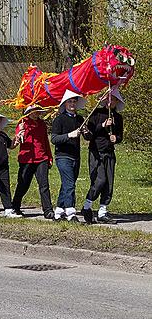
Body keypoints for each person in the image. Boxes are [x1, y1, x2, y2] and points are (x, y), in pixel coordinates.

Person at [82, 88, 125, 224]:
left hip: (109, 152)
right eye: (109, 99)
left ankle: (102, 211)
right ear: (105, 100)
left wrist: (115, 138)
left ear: (116, 102)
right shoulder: (96, 114)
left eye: (113, 99)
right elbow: (89, 134)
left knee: (109, 183)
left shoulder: (118, 117)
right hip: (96, 152)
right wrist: (102, 125)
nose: (110, 101)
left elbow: (120, 136)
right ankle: (87, 205)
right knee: (99, 180)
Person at [11, 105, 54, 218]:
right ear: (28, 112)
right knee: (23, 184)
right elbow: (19, 139)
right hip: (27, 159)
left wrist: (49, 157)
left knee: (44, 185)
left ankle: (48, 210)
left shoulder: (42, 124)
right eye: (33, 111)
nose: (36, 113)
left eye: (38, 111)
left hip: (42, 158)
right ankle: (15, 206)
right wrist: (20, 133)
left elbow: (45, 141)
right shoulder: (23, 122)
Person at [49, 90, 85, 221]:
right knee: (70, 184)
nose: (72, 104)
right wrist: (69, 135)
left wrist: (86, 131)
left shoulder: (80, 119)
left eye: (74, 101)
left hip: (76, 155)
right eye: (70, 101)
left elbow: (88, 137)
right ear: (65, 104)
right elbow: (54, 139)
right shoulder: (59, 119)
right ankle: (71, 213)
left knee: (67, 184)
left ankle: (58, 211)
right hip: (63, 156)